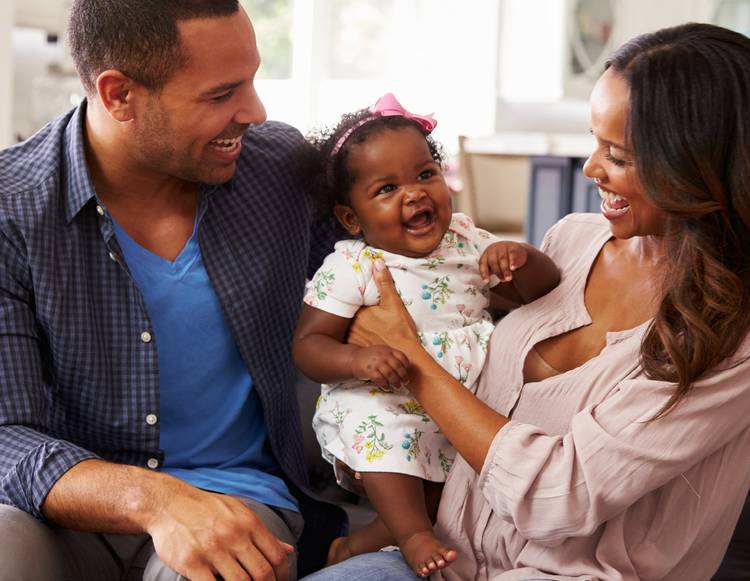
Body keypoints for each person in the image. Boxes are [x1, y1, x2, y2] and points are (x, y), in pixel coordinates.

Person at [301, 22, 750, 581]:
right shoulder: (574, 239)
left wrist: (408, 356)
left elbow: (561, 495)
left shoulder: (728, 337)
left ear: (698, 163)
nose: (590, 168)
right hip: (448, 557)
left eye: (618, 155)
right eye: (594, 141)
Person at [0, 1, 345, 580]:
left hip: (239, 503)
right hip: (66, 515)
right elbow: (4, 432)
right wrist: (154, 500)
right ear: (119, 95)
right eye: (220, 95)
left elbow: (396, 271)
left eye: (253, 81)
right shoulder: (11, 208)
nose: (255, 112)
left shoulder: (279, 172)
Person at [292, 93, 560, 577]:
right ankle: (413, 537)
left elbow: (542, 291)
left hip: (461, 398)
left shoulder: (467, 239)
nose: (414, 194)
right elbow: (308, 347)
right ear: (352, 219)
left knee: (465, 485)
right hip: (385, 400)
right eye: (387, 188)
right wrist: (358, 361)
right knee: (390, 441)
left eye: (424, 174)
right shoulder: (354, 265)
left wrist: (521, 258)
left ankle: (361, 545)